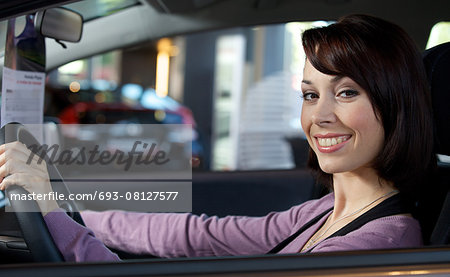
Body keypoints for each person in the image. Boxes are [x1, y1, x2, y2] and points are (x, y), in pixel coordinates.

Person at [0, 14, 436, 262]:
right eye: (309, 94)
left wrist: (54, 214)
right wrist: (77, 210)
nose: (319, 116)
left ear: (394, 101)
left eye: (346, 92)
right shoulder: (326, 211)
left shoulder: (373, 247)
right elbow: (199, 235)